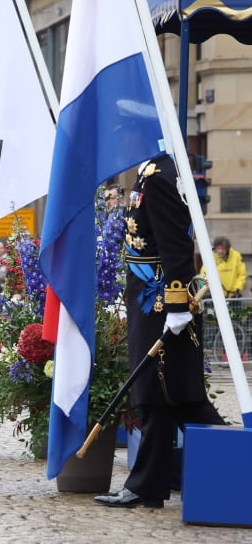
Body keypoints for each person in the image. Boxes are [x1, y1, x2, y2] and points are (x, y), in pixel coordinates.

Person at [96, 154, 225, 508]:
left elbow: (175, 244)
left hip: (160, 304)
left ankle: (153, 484)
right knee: (173, 397)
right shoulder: (150, 173)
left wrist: (177, 304)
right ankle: (152, 484)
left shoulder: (160, 175)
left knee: (162, 393)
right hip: (148, 299)